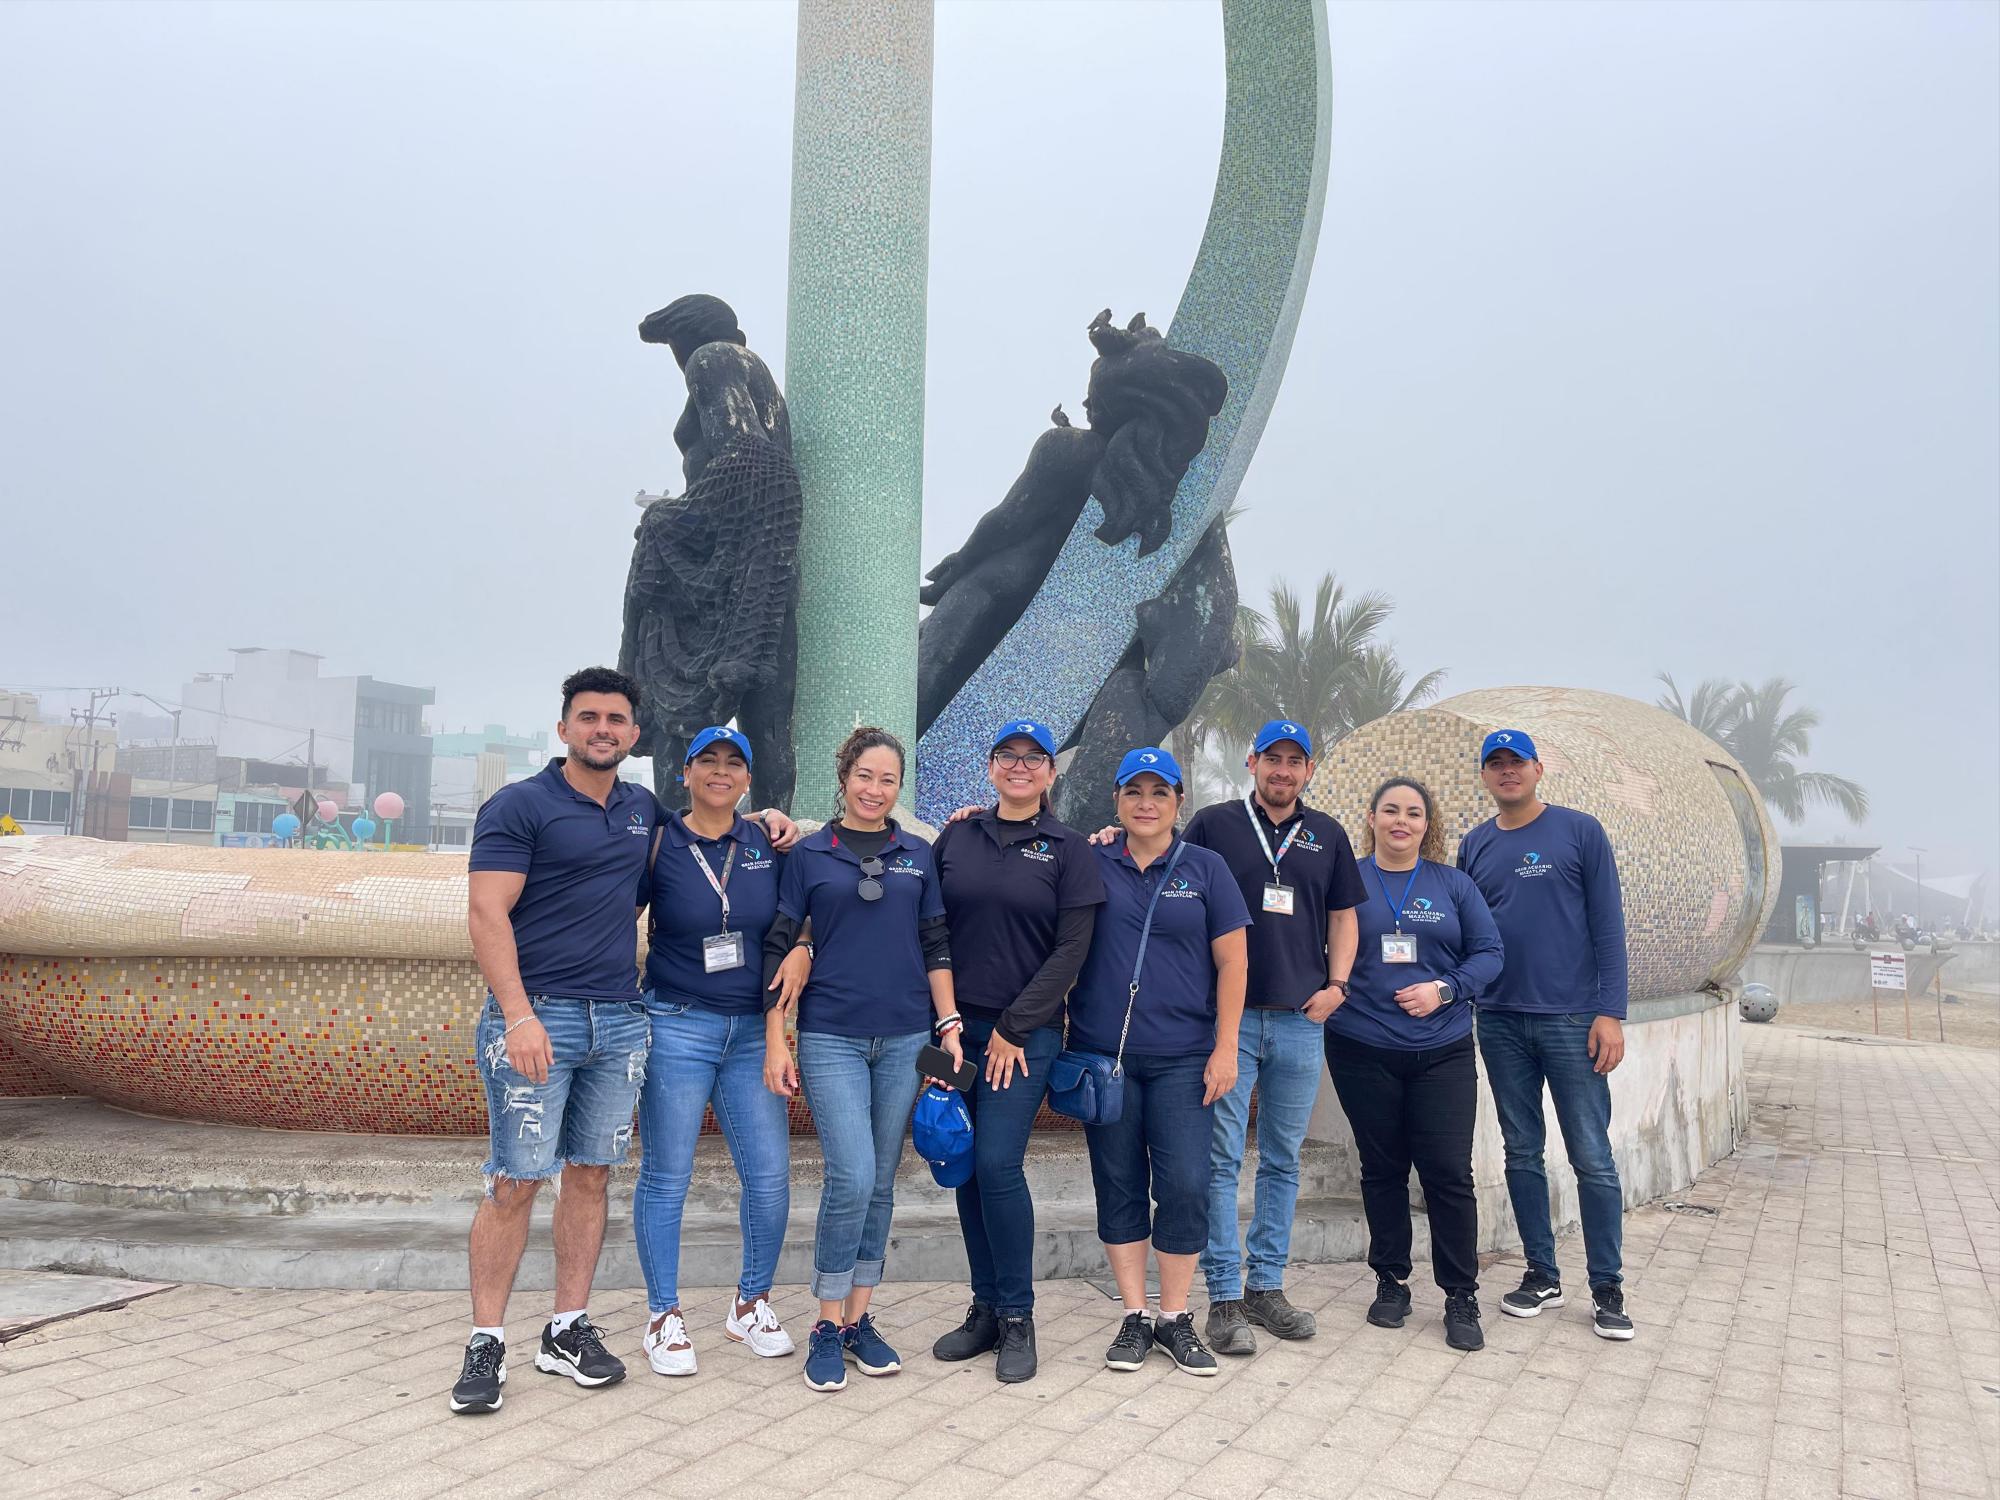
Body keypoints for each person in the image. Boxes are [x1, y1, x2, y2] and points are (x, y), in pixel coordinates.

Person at [452, 667, 657, 1415]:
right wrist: (517, 1015)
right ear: (564, 727)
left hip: (620, 1021)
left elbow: (705, 842)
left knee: (593, 1174)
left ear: (634, 735)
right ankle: (486, 1340)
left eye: (616, 719)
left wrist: (770, 823)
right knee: (516, 1180)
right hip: (539, 1018)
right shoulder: (520, 805)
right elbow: (486, 912)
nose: (603, 729)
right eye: (589, 717)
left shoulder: (642, 810)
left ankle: (565, 1328)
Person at [762, 726, 964, 1392]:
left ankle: (857, 1320)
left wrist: (949, 1024)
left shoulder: (918, 853)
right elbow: (783, 940)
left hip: (907, 1037)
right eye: (865, 776)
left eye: (888, 780)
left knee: (881, 1181)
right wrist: (775, 1035)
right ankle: (824, 1322)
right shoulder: (811, 853)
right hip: (833, 1039)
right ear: (843, 776)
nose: (876, 790)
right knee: (849, 1176)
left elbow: (936, 943)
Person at [632, 726, 813, 1377]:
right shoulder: (659, 842)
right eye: (707, 760)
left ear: (747, 779)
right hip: (676, 1025)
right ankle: (663, 1315)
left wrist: (802, 948)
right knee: (667, 1175)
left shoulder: (767, 841)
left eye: (733, 762)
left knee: (768, 1177)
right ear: (686, 773)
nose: (719, 771)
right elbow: (608, 910)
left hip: (750, 1035)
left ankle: (750, 1302)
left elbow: (802, 914)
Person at [929, 719, 1105, 1382]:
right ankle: (983, 1307)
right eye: (1009, 755)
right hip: (946, 1032)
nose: (1021, 766)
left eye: (1035, 758)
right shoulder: (957, 835)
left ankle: (1019, 1317)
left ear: (1050, 773)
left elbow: (1072, 951)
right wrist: (940, 1026)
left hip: (1023, 1037)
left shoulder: (1068, 849)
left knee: (999, 1163)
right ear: (992, 764)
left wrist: (1013, 1026)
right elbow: (929, 928)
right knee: (959, 1161)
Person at [1184, 719, 1365, 1355]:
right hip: (1227, 1022)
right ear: (1253, 762)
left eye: (1296, 762)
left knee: (1283, 1160)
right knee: (1222, 1158)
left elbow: (1344, 919)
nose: (1283, 771)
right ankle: (1224, 1297)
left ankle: (1266, 1287)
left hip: (1299, 1021)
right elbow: (1174, 886)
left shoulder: (1329, 836)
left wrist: (1338, 986)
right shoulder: (1213, 825)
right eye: (1273, 760)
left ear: (1308, 771)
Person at [1075, 747, 1250, 1378]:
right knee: (1118, 1184)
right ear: (1117, 801)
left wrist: (1226, 1048)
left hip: (1184, 1057)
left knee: (1184, 1186)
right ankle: (1135, 1315)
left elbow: (1234, 964)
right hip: (1105, 1057)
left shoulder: (1206, 868)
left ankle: (1176, 1317)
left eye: (1160, 792)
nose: (1146, 803)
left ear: (1180, 802)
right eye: (1133, 792)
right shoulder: (1090, 860)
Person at [1458, 729, 1635, 1341]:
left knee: (1591, 1156)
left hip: (1573, 1021)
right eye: (1496, 764)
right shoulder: (1474, 845)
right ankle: (1542, 1274)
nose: (1507, 772)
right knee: (1521, 1151)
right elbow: (1464, 933)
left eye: (1517, 762)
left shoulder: (1579, 832)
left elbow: (1609, 927)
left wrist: (1610, 1011)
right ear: (1484, 775)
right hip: (1500, 1019)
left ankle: (1607, 1286)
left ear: (1538, 770)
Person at [1325, 777, 1503, 1351]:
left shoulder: (1452, 885)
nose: (1402, 821)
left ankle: (1460, 1294)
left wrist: (1445, 990)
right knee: (1382, 1169)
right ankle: (1391, 1281)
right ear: (1371, 817)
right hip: (1361, 1047)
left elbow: (1490, 953)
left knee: (1448, 1173)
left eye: (1414, 813)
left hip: (1443, 1049)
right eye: (1391, 811)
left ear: (1428, 826)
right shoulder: (1345, 880)